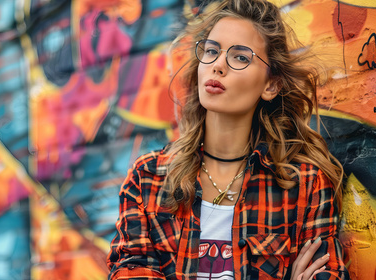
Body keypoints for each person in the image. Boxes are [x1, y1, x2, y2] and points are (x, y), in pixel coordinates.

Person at [107, 0, 350, 279]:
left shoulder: (305, 186)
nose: (218, 65)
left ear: (271, 85)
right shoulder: (147, 179)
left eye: (240, 57)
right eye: (211, 51)